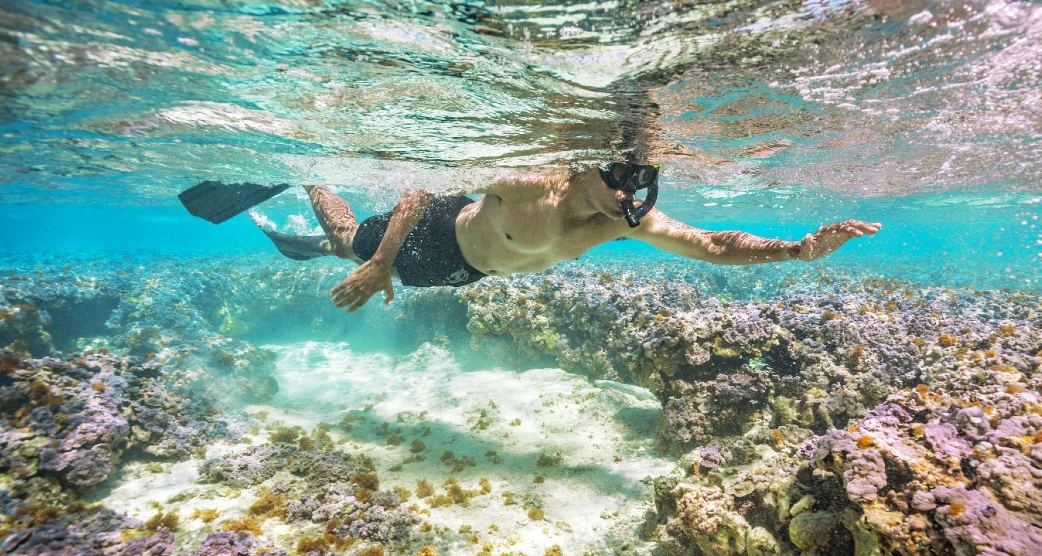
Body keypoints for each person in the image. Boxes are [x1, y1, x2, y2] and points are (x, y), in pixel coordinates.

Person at [254, 162, 882, 312]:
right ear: (595, 169)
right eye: (626, 181)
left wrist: (796, 250)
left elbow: (716, 244)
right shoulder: (532, 184)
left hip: (471, 272)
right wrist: (382, 261)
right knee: (341, 241)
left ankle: (307, 241)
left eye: (646, 182)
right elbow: (419, 189)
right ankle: (308, 180)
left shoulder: (624, 224)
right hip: (434, 233)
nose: (635, 197)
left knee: (338, 248)